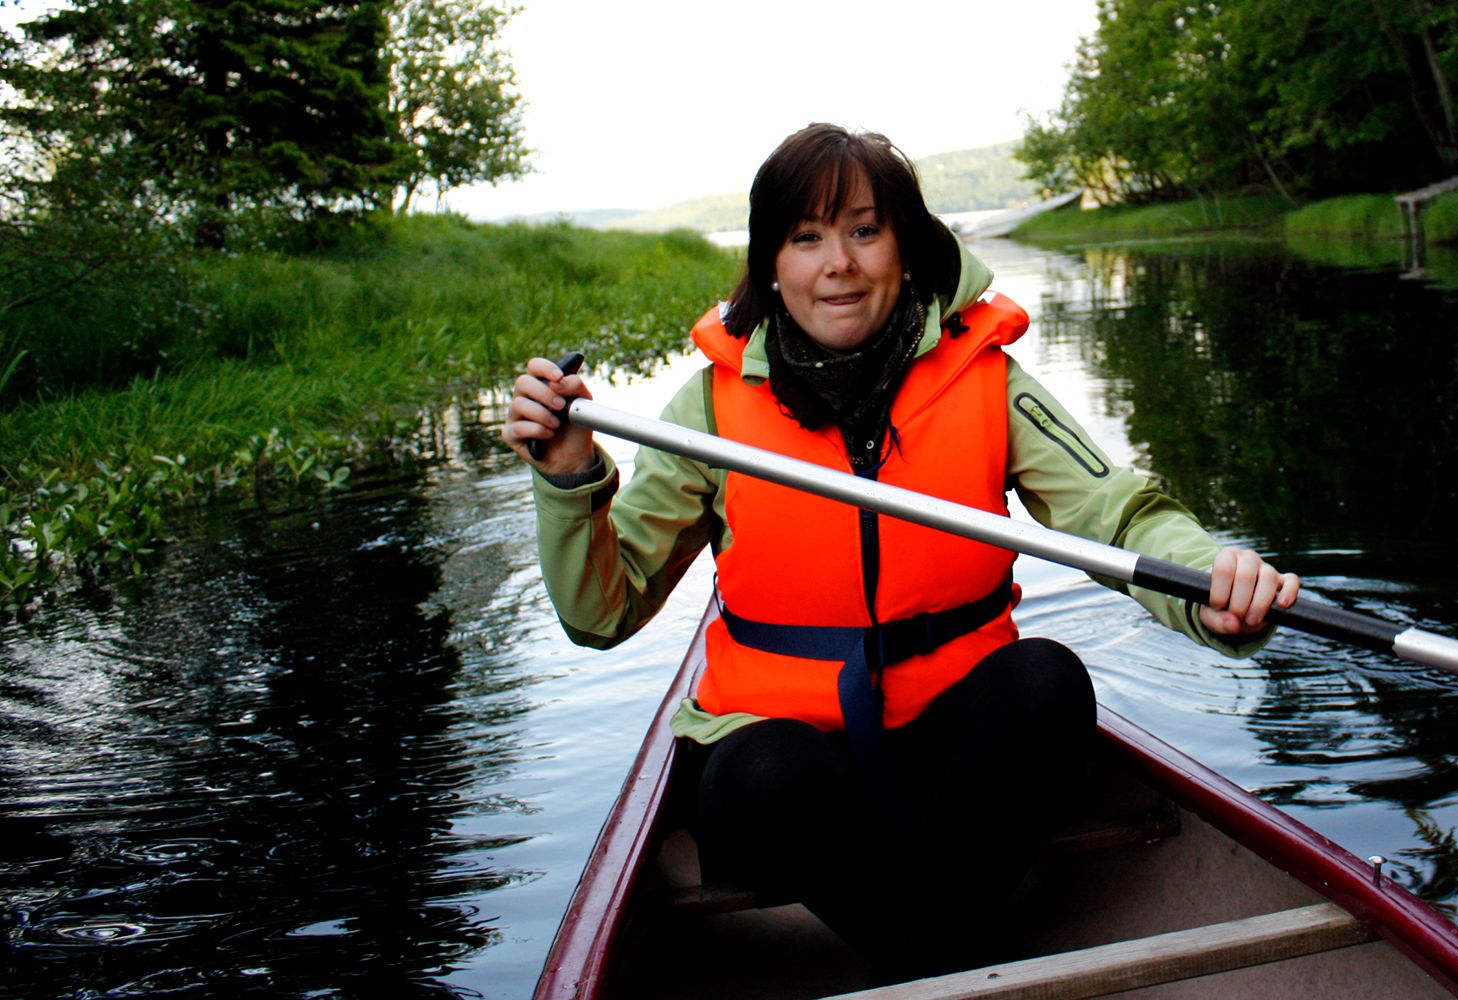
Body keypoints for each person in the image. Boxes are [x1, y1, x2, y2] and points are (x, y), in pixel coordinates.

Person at [502, 123, 1299, 982]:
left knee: (1048, 683)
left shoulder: (985, 379)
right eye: (804, 237)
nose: (835, 263)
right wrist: (570, 480)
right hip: (780, 761)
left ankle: (922, 941)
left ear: (908, 250)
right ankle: (972, 955)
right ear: (772, 263)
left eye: (862, 229)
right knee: (769, 775)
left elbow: (1119, 511)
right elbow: (601, 614)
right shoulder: (708, 409)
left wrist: (1208, 579)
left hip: (949, 754)